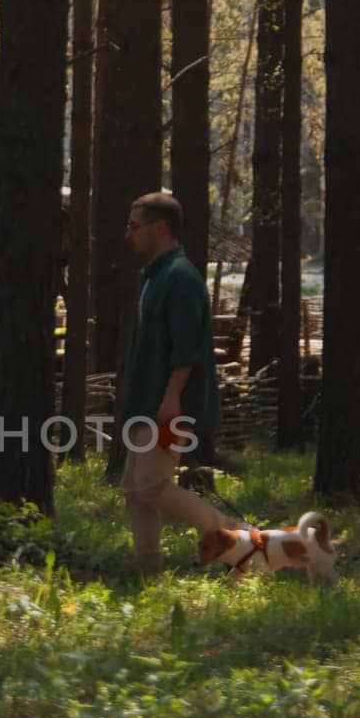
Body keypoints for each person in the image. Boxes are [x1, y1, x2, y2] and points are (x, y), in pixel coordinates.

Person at [115, 192, 243, 572]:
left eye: (134, 226)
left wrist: (171, 401)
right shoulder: (155, 275)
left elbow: (186, 350)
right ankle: (147, 566)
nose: (128, 234)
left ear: (161, 228)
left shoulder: (181, 276)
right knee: (135, 491)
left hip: (169, 404)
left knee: (151, 486)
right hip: (146, 402)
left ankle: (235, 536)